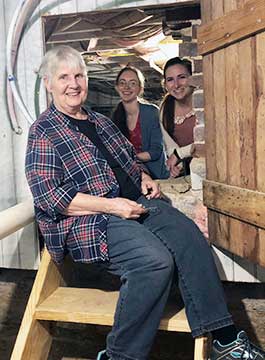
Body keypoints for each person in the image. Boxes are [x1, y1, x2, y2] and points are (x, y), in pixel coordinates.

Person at [25, 45, 265, 360]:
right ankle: (119, 355)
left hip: (133, 202)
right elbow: (50, 196)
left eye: (79, 75)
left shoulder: (99, 120)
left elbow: (127, 159)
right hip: (90, 220)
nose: (74, 84)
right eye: (64, 77)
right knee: (154, 260)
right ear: (48, 83)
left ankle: (223, 337)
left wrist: (143, 178)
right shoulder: (43, 132)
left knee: (189, 235)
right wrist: (114, 206)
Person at [112, 66, 169, 179]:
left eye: (132, 83)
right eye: (122, 83)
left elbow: (156, 151)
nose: (127, 87)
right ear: (117, 87)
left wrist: (128, 160)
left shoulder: (152, 112)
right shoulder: (114, 117)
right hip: (131, 177)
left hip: (156, 176)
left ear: (140, 88)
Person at [160, 57, 197, 178]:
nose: (176, 85)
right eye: (170, 80)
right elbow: (171, 146)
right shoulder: (165, 109)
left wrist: (179, 154)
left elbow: (213, 141)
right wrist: (176, 166)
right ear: (165, 85)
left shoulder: (205, 101)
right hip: (191, 173)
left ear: (192, 78)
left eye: (182, 77)